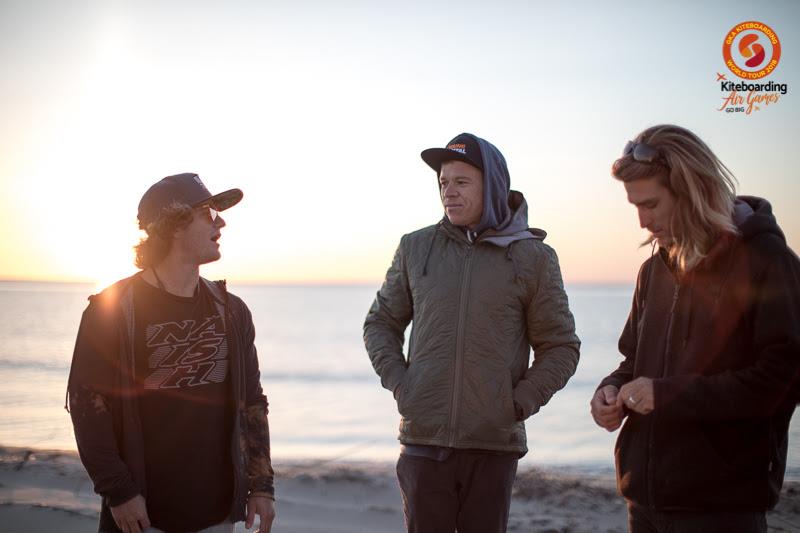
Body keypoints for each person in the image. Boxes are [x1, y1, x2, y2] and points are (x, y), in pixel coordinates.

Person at [364, 133, 580, 533]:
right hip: (423, 442)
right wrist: (402, 384)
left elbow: (560, 346)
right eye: (444, 183)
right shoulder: (416, 247)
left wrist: (520, 401)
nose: (449, 192)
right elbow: (380, 322)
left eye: (462, 182)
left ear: (491, 185)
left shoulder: (533, 257)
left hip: (493, 444)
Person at [590, 124, 800, 533]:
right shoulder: (653, 270)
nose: (642, 222)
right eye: (635, 206)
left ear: (692, 192)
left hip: (721, 507)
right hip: (645, 502)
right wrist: (610, 392)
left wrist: (666, 396)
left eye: (650, 205)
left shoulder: (767, 261)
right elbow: (633, 362)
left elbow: (784, 380)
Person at [66, 173, 276, 533]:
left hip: (218, 514)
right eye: (208, 212)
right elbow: (87, 406)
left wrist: (261, 485)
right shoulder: (111, 310)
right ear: (176, 224)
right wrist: (119, 492)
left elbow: (252, 401)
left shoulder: (232, 311)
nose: (221, 222)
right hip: (144, 515)